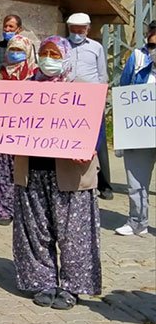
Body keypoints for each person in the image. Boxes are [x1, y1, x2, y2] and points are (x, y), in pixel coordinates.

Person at [12, 36, 101, 310]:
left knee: (73, 234)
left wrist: (89, 148)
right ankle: (43, 281)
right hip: (33, 170)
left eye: (54, 53)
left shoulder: (83, 88)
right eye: (44, 53)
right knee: (36, 230)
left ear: (65, 56)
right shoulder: (25, 88)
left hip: (71, 173)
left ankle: (73, 287)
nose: (49, 58)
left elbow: (95, 128)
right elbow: (9, 124)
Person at [0, 35, 36, 225]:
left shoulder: (33, 74)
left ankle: (22, 209)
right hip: (1, 128)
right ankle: (0, 210)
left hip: (25, 131)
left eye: (20, 51)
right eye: (13, 50)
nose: (16, 54)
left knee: (22, 171)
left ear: (28, 52)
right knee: (0, 169)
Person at [66, 13, 113, 200]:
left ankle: (105, 185)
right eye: (74, 30)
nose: (77, 33)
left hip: (91, 99)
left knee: (97, 142)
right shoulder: (63, 45)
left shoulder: (96, 48)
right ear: (69, 29)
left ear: (88, 29)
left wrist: (101, 97)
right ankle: (75, 179)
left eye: (81, 30)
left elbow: (102, 75)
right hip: (68, 99)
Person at [114, 29, 155, 236]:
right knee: (136, 181)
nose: (155, 50)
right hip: (141, 132)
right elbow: (124, 90)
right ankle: (137, 222)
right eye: (152, 45)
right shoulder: (137, 58)